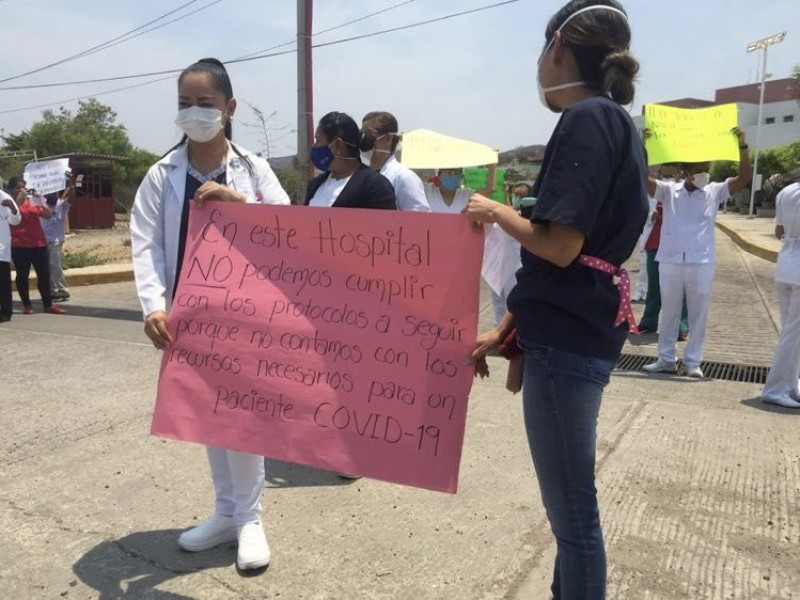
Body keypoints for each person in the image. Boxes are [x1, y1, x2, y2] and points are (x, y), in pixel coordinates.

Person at [466, 3, 647, 598]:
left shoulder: (586, 118)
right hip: (573, 331)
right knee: (572, 515)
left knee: (573, 517)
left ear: (559, 48)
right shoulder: (616, 120)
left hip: (567, 344)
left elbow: (562, 246)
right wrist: (508, 327)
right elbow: (562, 258)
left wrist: (496, 213)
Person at [130, 58, 290, 572]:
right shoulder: (161, 174)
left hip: (248, 315)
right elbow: (146, 244)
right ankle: (226, 511)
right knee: (210, 416)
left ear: (230, 108)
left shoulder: (254, 168)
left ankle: (250, 518)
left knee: (244, 416)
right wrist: (155, 306)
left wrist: (238, 200)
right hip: (190, 318)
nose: (194, 112)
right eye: (185, 103)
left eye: (205, 103)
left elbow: (289, 229)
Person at [643, 129, 751, 378]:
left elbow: (744, 177)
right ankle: (666, 359)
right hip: (670, 259)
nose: (705, 175)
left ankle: (693, 362)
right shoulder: (669, 190)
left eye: (707, 170)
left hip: (701, 260)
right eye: (701, 170)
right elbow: (642, 178)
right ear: (688, 172)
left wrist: (742, 147)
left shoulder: (715, 191)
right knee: (669, 311)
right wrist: (646, 148)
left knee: (698, 313)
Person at [636, 165, 690, 338]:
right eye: (664, 174)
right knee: (655, 287)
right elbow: (642, 210)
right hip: (656, 242)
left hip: (679, 245)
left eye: (673, 174)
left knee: (681, 287)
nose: (668, 178)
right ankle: (648, 322)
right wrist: (652, 215)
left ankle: (682, 326)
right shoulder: (655, 189)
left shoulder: (688, 191)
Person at [305, 111, 396, 209]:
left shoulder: (375, 186)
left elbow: (387, 223)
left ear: (337, 145)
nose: (314, 146)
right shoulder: (315, 184)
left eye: (318, 140)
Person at [761, 181, 800, 408]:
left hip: (786, 264)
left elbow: (779, 232)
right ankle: (775, 388)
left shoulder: (787, 191)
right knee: (792, 334)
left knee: (791, 333)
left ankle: (791, 384)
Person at [8, 177, 66, 315]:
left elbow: (48, 215)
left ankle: (48, 305)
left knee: (44, 274)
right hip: (20, 245)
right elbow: (11, 218)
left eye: (25, 187)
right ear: (13, 190)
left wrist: (40, 200)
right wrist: (19, 200)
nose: (23, 190)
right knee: (22, 275)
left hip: (39, 243)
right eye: (19, 188)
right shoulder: (9, 203)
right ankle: (27, 305)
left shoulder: (32, 202)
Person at [359, 111, 430, 212]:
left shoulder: (404, 178)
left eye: (369, 135)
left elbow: (419, 219)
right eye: (362, 134)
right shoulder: (360, 176)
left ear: (388, 138)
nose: (364, 140)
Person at [41, 174, 76, 302]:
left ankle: (62, 290)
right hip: (42, 242)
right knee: (48, 267)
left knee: (55, 265)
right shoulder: (41, 206)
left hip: (55, 241)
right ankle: (52, 291)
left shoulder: (61, 206)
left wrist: (71, 183)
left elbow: (71, 197)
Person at [424, 164, 496, 214]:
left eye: (456, 173)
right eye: (448, 172)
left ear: (461, 177)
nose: (452, 176)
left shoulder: (467, 195)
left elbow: (489, 189)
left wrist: (492, 166)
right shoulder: (428, 192)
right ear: (439, 175)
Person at [0, 187, 21, 322]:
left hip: (1, 248)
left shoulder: (4, 197)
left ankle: (6, 312)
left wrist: (13, 206)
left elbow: (15, 221)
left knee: (3, 282)